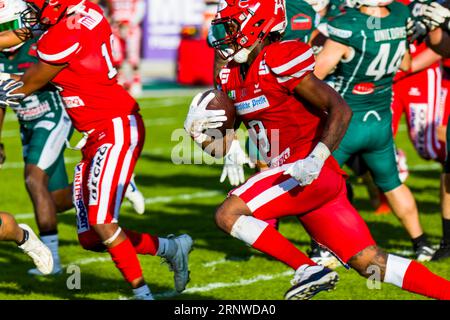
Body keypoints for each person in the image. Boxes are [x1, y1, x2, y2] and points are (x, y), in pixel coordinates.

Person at [185, 0, 450, 300]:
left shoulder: (279, 57)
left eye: (232, 25)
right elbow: (221, 147)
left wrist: (317, 158)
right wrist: (203, 135)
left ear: (258, 24)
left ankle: (307, 268)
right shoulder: (230, 76)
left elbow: (340, 109)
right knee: (371, 262)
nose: (225, 33)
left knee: (227, 214)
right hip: (301, 180)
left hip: (308, 169)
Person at [0, 0, 193, 300]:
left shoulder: (58, 38)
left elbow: (24, 85)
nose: (32, 13)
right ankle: (171, 248)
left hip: (114, 126)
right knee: (91, 237)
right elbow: (29, 33)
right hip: (97, 131)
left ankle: (143, 294)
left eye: (35, 6)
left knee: (103, 223)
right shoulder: (88, 11)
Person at [314, 0, 435, 261]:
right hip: (380, 118)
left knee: (320, 182)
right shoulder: (399, 15)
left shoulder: (349, 24)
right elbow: (405, 63)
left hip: (347, 120)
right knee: (392, 183)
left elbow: (316, 72)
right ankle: (421, 243)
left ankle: (321, 247)